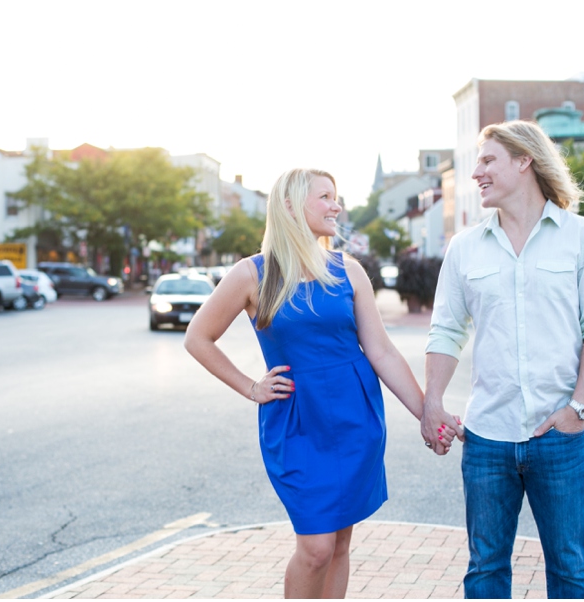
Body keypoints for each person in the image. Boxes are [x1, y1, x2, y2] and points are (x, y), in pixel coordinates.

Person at [184, 168, 461, 599]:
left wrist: (427, 411)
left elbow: (382, 352)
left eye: (338, 197)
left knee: (340, 544)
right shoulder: (251, 274)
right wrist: (250, 387)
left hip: (355, 420)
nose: (337, 206)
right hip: (296, 424)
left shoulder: (347, 271)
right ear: (292, 205)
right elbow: (197, 338)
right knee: (315, 548)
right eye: (326, 197)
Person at [421, 121, 584, 599]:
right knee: (485, 572)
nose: (476, 173)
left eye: (488, 160)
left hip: (559, 437)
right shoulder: (464, 247)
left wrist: (579, 409)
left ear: (524, 160)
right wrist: (432, 401)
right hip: (487, 437)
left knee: (571, 571)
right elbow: (447, 329)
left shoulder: (583, 237)